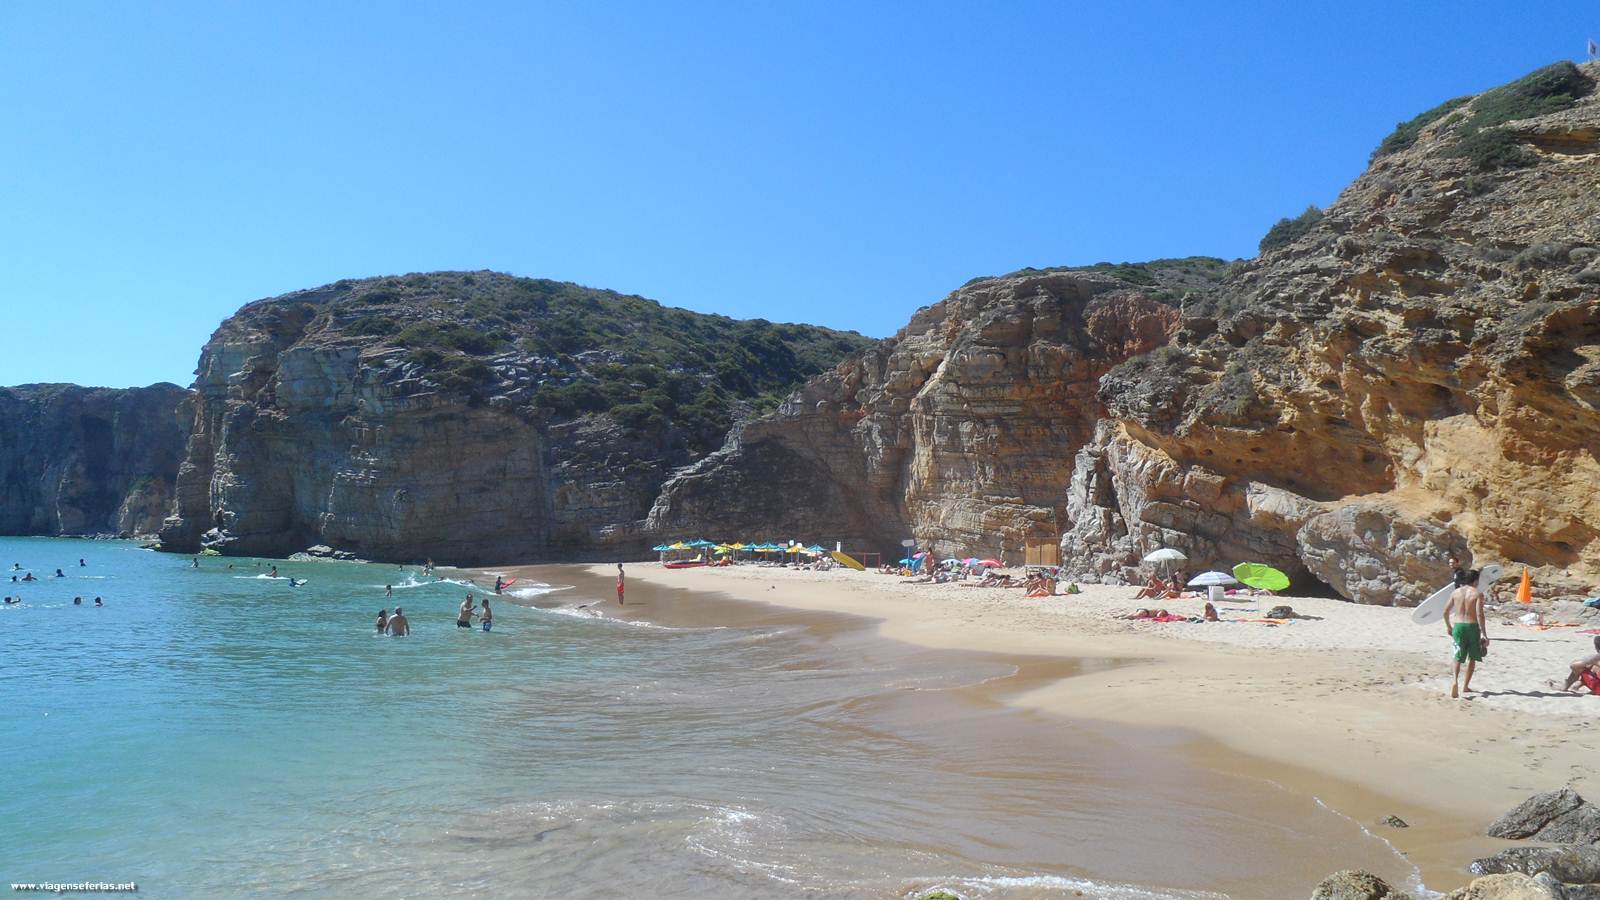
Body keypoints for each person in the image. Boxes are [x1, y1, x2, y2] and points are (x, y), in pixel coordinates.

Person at [1443, 568, 1488, 698]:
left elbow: (1445, 612)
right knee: (1472, 657)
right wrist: (1484, 634)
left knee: (1457, 656)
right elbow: (1479, 614)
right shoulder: (1477, 594)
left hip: (1458, 626)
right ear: (1476, 581)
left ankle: (1455, 681)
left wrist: (1448, 626)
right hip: (1472, 626)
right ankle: (1466, 686)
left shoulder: (1455, 592)